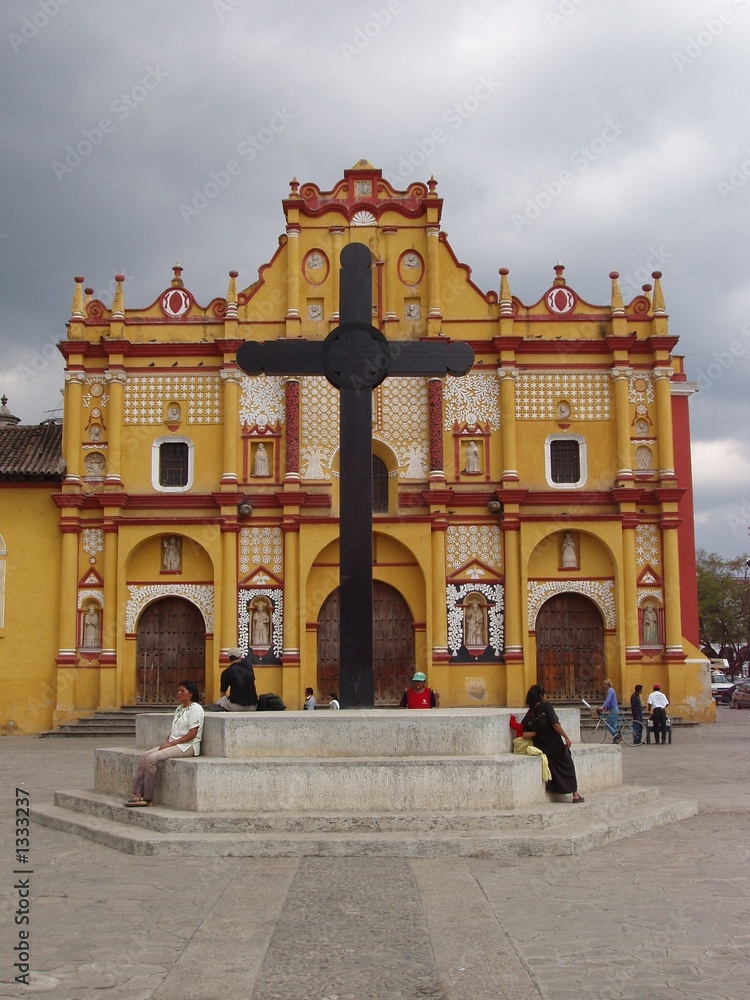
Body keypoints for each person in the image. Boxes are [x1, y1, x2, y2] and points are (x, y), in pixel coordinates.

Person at [125, 680, 204, 806]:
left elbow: (192, 734)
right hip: (174, 743)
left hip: (187, 746)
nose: (179, 693)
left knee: (151, 759)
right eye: (178, 691)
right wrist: (166, 742)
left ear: (191, 694)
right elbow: (174, 731)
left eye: (182, 691)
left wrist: (171, 744)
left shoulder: (196, 709)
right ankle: (137, 793)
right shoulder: (179, 708)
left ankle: (148, 798)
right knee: (144, 757)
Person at [520, 684, 583, 803]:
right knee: (568, 764)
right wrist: (566, 737)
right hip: (555, 744)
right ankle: (575, 794)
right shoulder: (546, 707)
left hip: (542, 746)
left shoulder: (530, 713)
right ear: (541, 696)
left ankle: (557, 789)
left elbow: (524, 734)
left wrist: (537, 733)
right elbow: (555, 724)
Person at [599, 678, 620, 743]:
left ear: (607, 684)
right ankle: (616, 739)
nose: (603, 686)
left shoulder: (610, 690)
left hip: (614, 710)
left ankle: (617, 736)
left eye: (604, 684)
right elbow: (610, 701)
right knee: (613, 726)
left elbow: (608, 700)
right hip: (614, 709)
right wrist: (606, 708)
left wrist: (603, 706)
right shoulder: (611, 690)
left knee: (608, 725)